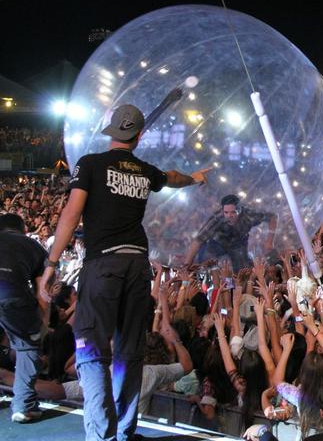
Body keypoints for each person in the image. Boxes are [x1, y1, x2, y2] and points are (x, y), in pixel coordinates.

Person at [41, 104, 210, 441]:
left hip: (103, 264)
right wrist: (195, 178)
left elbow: (72, 213)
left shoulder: (90, 164)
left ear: (111, 131)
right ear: (139, 136)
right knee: (129, 352)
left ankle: (102, 432)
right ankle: (124, 430)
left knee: (91, 351)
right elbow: (173, 177)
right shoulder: (145, 171)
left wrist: (51, 262)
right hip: (137, 266)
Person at [0, 213, 47, 423]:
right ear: (23, 230)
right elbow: (43, 290)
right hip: (12, 295)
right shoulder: (33, 246)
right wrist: (42, 324)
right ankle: (24, 405)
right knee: (28, 346)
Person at [183, 194, 277, 272]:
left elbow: (273, 217)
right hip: (217, 245)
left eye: (233, 212)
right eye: (226, 212)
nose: (229, 216)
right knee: (205, 267)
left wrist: (270, 240)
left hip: (238, 245)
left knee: (243, 271)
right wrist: (186, 267)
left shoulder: (248, 215)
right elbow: (198, 241)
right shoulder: (217, 218)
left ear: (240, 210)